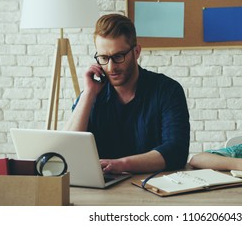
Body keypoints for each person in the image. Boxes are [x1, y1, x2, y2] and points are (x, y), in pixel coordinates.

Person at [64, 14, 190, 174]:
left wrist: (121, 165)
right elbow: (67, 151)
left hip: (153, 189)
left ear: (136, 51)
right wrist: (88, 94)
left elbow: (176, 152)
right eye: (103, 57)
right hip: (101, 191)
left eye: (118, 56)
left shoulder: (167, 91)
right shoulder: (91, 95)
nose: (110, 67)